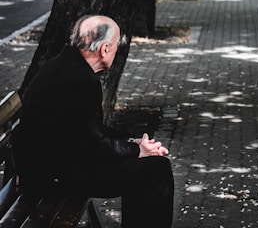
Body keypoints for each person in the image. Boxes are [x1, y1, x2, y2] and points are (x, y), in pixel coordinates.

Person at [13, 15, 174, 228]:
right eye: (117, 45)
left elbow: (91, 132)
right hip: (53, 178)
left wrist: (134, 143)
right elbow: (95, 144)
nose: (117, 50)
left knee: (149, 167)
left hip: (52, 166)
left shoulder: (65, 65)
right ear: (105, 49)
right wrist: (137, 151)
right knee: (156, 170)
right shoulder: (78, 80)